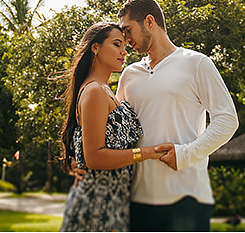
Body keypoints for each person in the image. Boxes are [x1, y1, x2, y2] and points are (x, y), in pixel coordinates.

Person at [115, 0, 239, 231]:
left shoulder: (196, 63)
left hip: (187, 199)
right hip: (137, 200)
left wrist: (185, 155)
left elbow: (227, 119)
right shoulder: (129, 74)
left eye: (128, 30)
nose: (125, 39)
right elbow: (114, 128)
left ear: (149, 22)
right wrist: (84, 161)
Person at [60, 22, 172, 232]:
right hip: (97, 204)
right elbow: (94, 157)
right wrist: (146, 153)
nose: (123, 51)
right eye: (116, 44)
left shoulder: (106, 90)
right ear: (95, 47)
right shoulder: (94, 91)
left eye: (124, 45)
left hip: (115, 202)